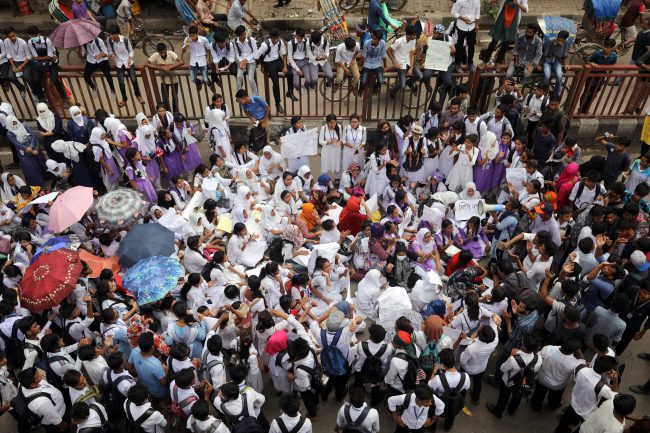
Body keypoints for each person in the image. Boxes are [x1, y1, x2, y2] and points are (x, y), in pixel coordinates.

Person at [554, 356, 620, 433]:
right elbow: (615, 396)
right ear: (606, 372)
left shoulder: (581, 368)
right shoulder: (602, 388)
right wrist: (615, 380)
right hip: (587, 412)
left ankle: (559, 431)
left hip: (574, 403)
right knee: (583, 428)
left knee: (565, 420)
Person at [25, 26, 69, 105]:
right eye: (31, 36)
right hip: (41, 64)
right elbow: (35, 56)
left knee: (55, 80)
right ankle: (42, 99)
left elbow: (50, 56)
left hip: (52, 63)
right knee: (36, 80)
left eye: (34, 36)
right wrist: (43, 58)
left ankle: (64, 98)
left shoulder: (48, 40)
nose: (33, 38)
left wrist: (40, 58)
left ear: (39, 34)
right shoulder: (30, 42)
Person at [479, 0, 529, 65]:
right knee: (494, 41)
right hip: (501, 19)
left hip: (513, 22)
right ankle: (485, 60)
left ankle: (498, 62)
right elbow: (492, 1)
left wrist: (518, 4)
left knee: (506, 43)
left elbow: (526, 10)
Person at [5, 116, 47, 187]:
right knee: (31, 167)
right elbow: (16, 144)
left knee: (40, 162)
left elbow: (32, 135)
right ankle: (38, 184)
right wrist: (27, 149)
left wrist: (32, 146)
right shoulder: (9, 133)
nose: (15, 124)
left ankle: (45, 177)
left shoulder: (23, 125)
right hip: (24, 152)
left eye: (15, 122)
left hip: (33, 146)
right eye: (13, 124)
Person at [107, 25, 144, 107]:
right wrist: (111, 55)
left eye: (113, 34)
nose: (112, 36)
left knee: (134, 80)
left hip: (128, 62)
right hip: (119, 63)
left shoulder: (125, 40)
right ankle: (124, 99)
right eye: (111, 34)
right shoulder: (109, 40)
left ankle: (138, 95)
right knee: (121, 83)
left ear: (118, 34)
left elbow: (131, 51)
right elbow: (109, 50)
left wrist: (129, 60)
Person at [579, 39, 617, 113]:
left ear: (612, 48)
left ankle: (585, 110)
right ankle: (581, 109)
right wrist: (591, 63)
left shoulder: (614, 56)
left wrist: (608, 78)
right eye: (605, 47)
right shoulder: (597, 54)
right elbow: (587, 60)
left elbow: (611, 68)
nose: (605, 49)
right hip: (591, 77)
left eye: (608, 47)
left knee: (593, 95)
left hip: (601, 79)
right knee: (585, 94)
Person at [256, 28, 287, 114]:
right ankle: (278, 103)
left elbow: (284, 54)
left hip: (277, 60)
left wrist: (285, 66)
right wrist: (262, 66)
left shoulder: (280, 42)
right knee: (276, 83)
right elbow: (256, 56)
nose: (276, 40)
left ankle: (290, 92)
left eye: (277, 38)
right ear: (271, 37)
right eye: (274, 39)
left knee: (290, 73)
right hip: (268, 63)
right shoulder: (264, 45)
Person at [145, 43, 184, 113]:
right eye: (161, 53)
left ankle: (176, 113)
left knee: (175, 98)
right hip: (163, 81)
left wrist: (169, 67)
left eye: (164, 52)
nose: (163, 54)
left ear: (166, 50)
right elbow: (146, 63)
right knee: (165, 98)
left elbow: (181, 62)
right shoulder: (155, 55)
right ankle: (167, 113)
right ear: (158, 52)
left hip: (174, 79)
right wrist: (160, 67)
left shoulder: (171, 53)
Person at [387, 25, 417, 98]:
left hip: (408, 62)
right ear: (409, 35)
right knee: (402, 84)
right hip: (400, 64)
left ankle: (409, 83)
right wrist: (395, 62)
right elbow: (388, 50)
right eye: (414, 35)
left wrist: (411, 68)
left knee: (420, 76)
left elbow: (412, 54)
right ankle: (392, 92)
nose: (415, 36)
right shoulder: (399, 41)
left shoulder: (413, 41)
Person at [82, 36, 116, 100]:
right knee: (86, 75)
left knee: (108, 74)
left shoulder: (99, 40)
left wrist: (100, 55)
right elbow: (83, 53)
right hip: (91, 61)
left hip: (102, 60)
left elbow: (106, 53)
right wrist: (81, 49)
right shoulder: (84, 43)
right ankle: (94, 88)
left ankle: (112, 90)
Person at [451, 0, 480, 72]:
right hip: (461, 26)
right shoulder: (460, 1)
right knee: (459, 45)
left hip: (472, 26)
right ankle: (458, 63)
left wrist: (476, 24)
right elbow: (453, 12)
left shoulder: (477, 1)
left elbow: (477, 12)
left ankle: (470, 63)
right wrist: (463, 19)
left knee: (471, 45)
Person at [542, 30, 570, 99]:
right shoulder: (550, 41)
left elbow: (564, 55)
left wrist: (565, 65)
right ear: (557, 37)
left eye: (562, 41)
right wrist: (540, 64)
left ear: (565, 40)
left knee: (559, 76)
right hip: (548, 60)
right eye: (559, 40)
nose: (560, 42)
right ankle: (541, 93)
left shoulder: (566, 43)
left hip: (557, 61)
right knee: (547, 76)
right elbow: (544, 54)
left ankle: (556, 96)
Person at [3, 27, 29, 100]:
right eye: (10, 37)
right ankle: (22, 88)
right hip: (14, 62)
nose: (12, 38)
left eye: (13, 35)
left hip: (24, 62)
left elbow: (29, 56)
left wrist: (22, 66)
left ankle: (35, 92)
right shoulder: (6, 41)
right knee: (10, 76)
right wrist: (13, 65)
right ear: (7, 37)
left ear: (15, 33)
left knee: (27, 76)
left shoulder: (22, 42)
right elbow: (8, 54)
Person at [232, 25, 259, 96]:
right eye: (242, 35)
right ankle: (239, 94)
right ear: (238, 36)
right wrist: (241, 61)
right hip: (241, 61)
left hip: (251, 61)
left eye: (244, 33)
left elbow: (255, 52)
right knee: (238, 77)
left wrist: (246, 60)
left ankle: (255, 95)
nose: (244, 36)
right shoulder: (235, 41)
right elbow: (236, 53)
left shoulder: (251, 40)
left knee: (250, 79)